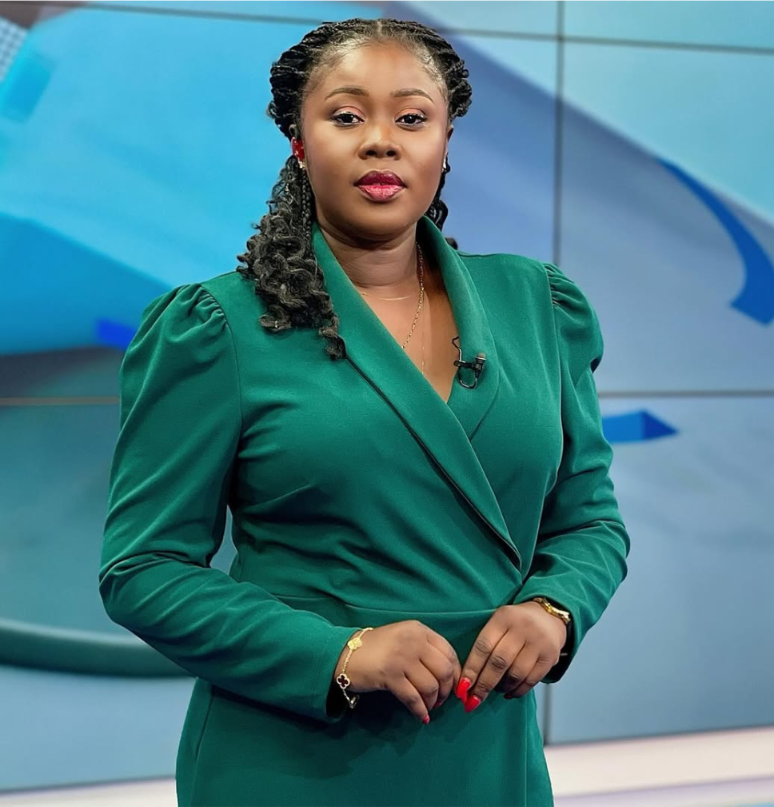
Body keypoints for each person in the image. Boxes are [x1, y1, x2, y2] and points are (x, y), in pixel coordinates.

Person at [100, 16, 630, 807]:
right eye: (346, 116)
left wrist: (555, 608)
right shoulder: (216, 328)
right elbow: (143, 569)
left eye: (412, 118)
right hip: (292, 763)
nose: (382, 141)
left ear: (445, 143)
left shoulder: (538, 306)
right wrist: (341, 653)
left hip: (486, 757)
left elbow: (589, 519)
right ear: (299, 142)